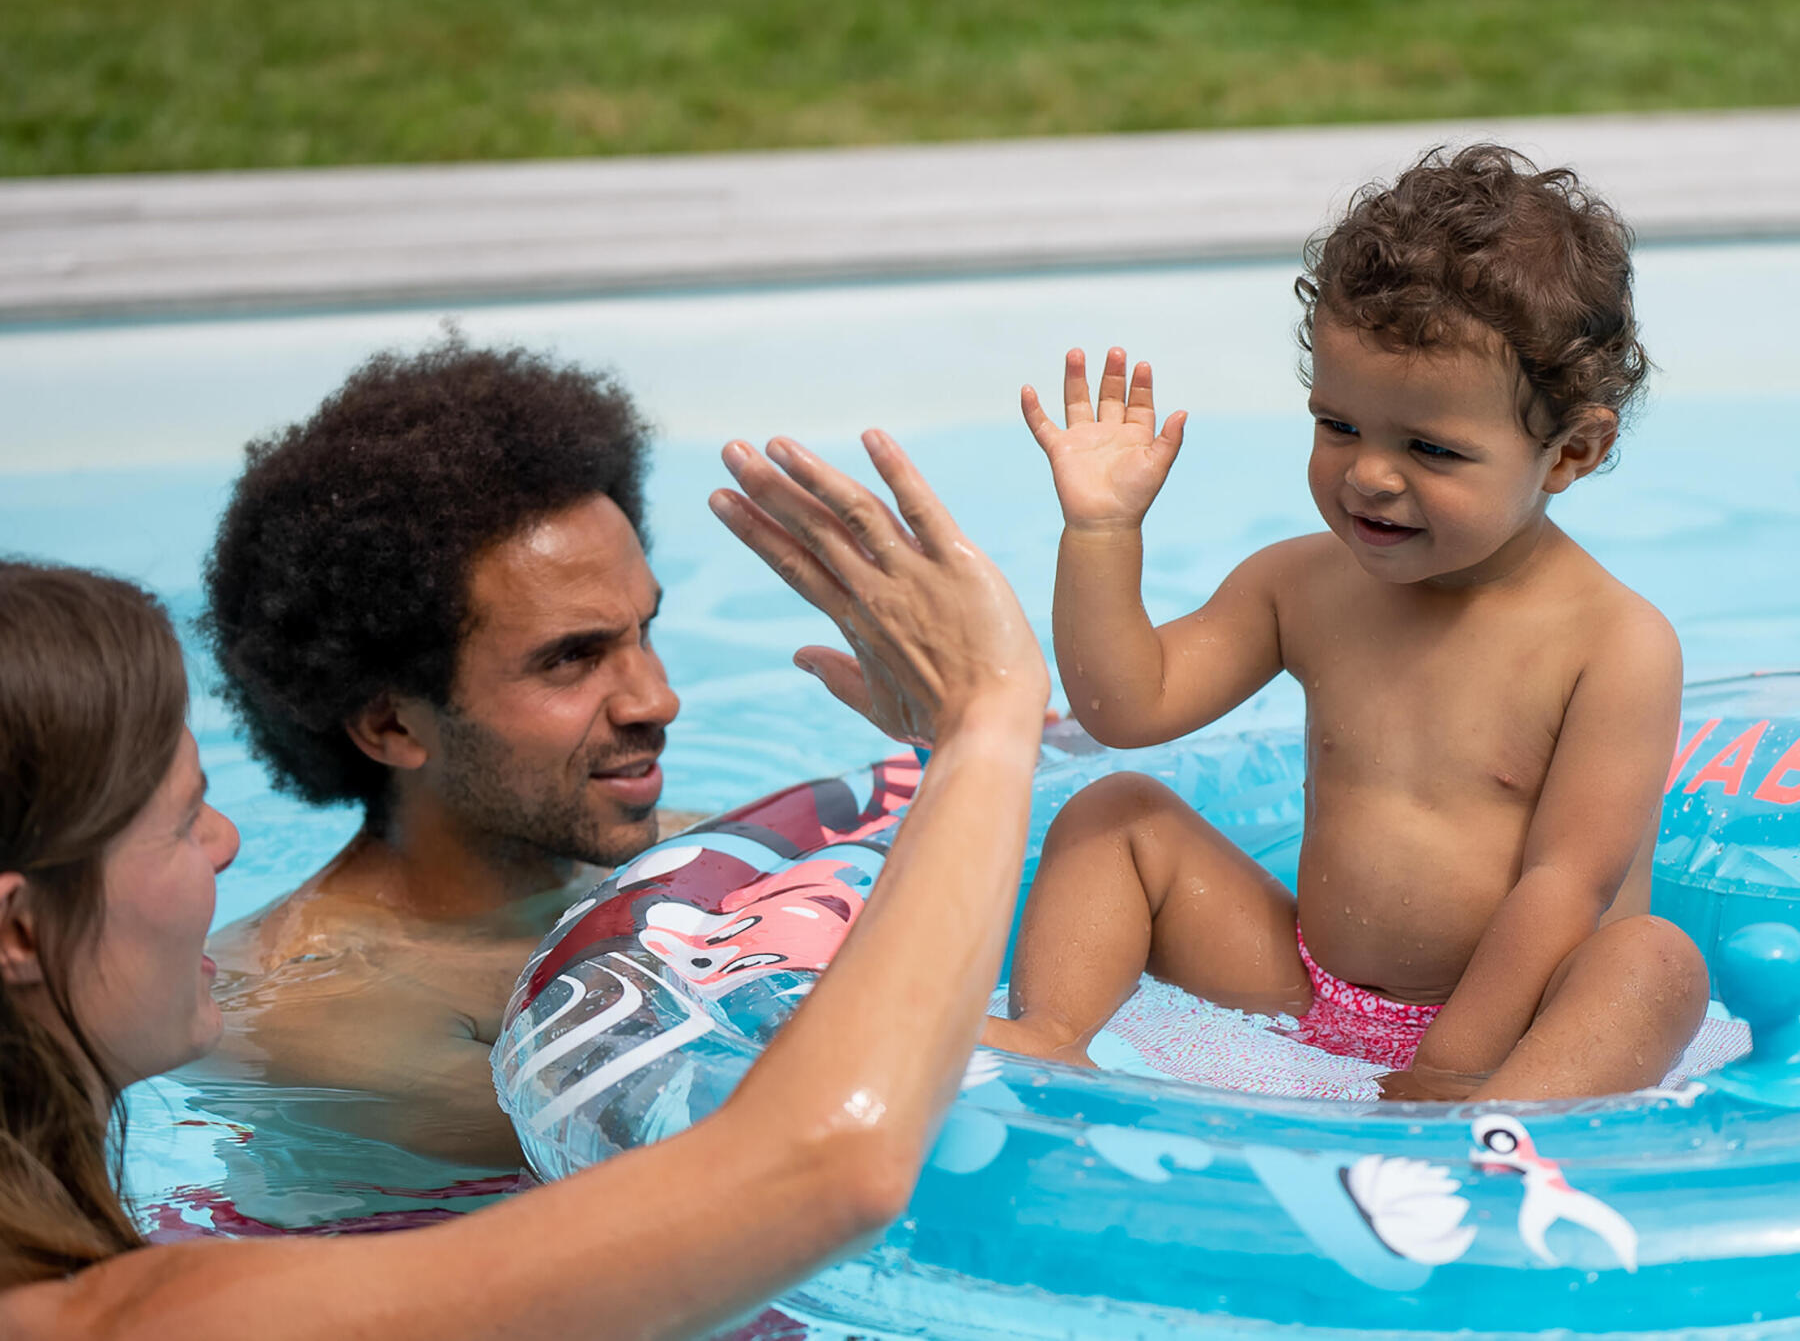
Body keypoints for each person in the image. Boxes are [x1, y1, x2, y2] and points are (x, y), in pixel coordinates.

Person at [0, 427, 1052, 1337]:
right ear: (21, 935)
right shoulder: (151, 1314)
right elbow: (824, 1168)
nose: (227, 843)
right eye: (184, 818)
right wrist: (986, 720)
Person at [984, 145, 1708, 1102]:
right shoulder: (1305, 585)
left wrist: (1447, 1069)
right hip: (1306, 984)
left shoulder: (1613, 645)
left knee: (1653, 966)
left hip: (1514, 1021)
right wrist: (1104, 530)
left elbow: (1565, 888)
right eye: (1340, 426)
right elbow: (1128, 706)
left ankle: (1490, 1115)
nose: (1370, 474)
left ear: (1571, 450)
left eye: (1432, 448)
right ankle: (1051, 1036)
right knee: (1116, 814)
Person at [199, 338, 701, 1166]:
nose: (656, 699)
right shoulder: (329, 1017)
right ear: (393, 726)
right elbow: (765, 1168)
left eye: (642, 631)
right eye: (571, 658)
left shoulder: (676, 851)